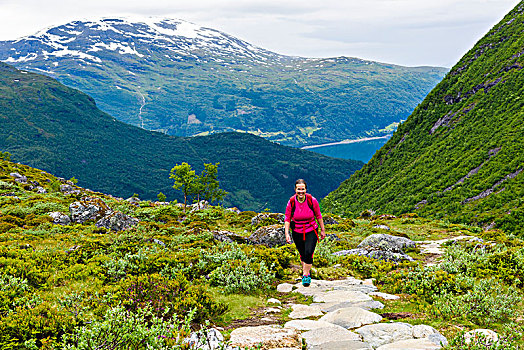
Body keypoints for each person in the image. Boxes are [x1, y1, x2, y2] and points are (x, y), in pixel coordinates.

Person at [284, 179, 326, 287]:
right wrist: (287, 233)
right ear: (295, 190)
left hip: (311, 230)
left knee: (309, 252)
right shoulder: (292, 202)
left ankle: (305, 274)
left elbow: (318, 215)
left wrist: (322, 230)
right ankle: (306, 272)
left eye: (303, 189)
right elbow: (287, 218)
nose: (301, 191)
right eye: (299, 189)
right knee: (302, 254)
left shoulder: (312, 200)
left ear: (306, 189)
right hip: (297, 231)